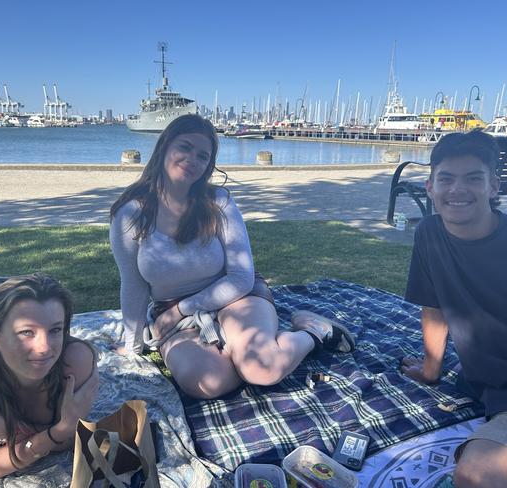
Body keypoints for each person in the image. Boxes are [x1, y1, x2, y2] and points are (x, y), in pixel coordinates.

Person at [110, 114, 354, 400]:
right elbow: (133, 283)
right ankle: (247, 348)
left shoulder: (219, 202)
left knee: (263, 369)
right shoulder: (130, 213)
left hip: (236, 295)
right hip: (173, 314)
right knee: (207, 382)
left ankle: (313, 332)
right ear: (164, 147)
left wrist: (184, 308)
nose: (192, 159)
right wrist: (133, 345)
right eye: (185, 147)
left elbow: (240, 276)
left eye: (203, 155)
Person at [400, 130, 507, 487]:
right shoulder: (429, 234)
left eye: (473, 178)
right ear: (431, 187)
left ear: (494, 186)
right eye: (446, 178)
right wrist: (431, 370)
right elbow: (434, 307)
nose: (457, 190)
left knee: (476, 474)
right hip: (499, 389)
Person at [0, 273, 98, 481]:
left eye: (55, 329)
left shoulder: (75, 360)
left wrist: (2, 428)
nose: (44, 348)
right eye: (26, 332)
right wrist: (57, 433)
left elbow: (71, 438)